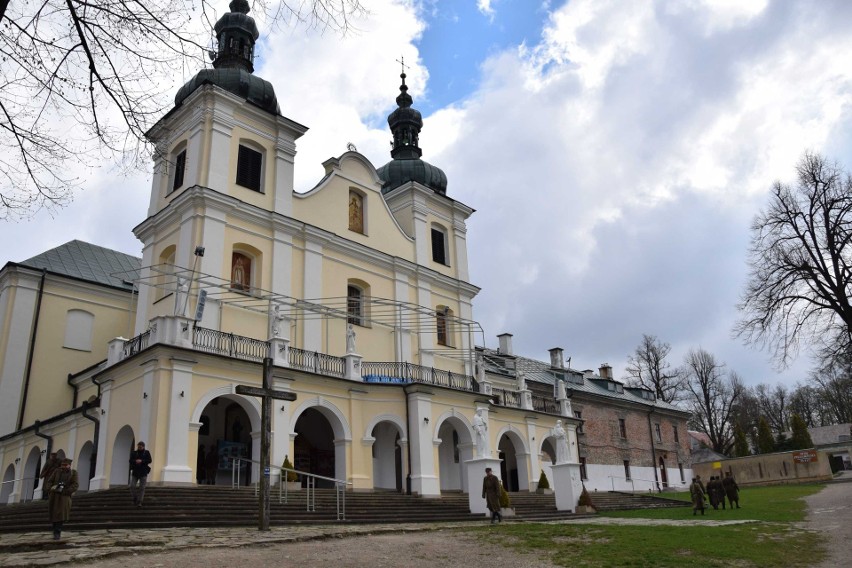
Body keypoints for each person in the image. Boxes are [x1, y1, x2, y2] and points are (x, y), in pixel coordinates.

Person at [47, 458, 78, 540]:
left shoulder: (73, 473)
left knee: (61, 514)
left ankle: (57, 532)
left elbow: (75, 484)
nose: (63, 467)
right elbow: (49, 481)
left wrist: (67, 491)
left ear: (69, 465)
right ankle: (55, 531)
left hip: (64, 496)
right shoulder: (57, 471)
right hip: (55, 495)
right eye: (62, 465)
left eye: (65, 465)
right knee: (54, 514)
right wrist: (50, 488)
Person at [129, 441, 152, 507]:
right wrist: (135, 461)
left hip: (143, 472)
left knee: (142, 488)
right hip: (135, 472)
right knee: (132, 486)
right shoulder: (134, 453)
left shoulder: (146, 453)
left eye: (140, 447)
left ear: (143, 447)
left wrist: (142, 461)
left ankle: (140, 501)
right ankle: (135, 497)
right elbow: (130, 460)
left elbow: (150, 460)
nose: (139, 448)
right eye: (138, 446)